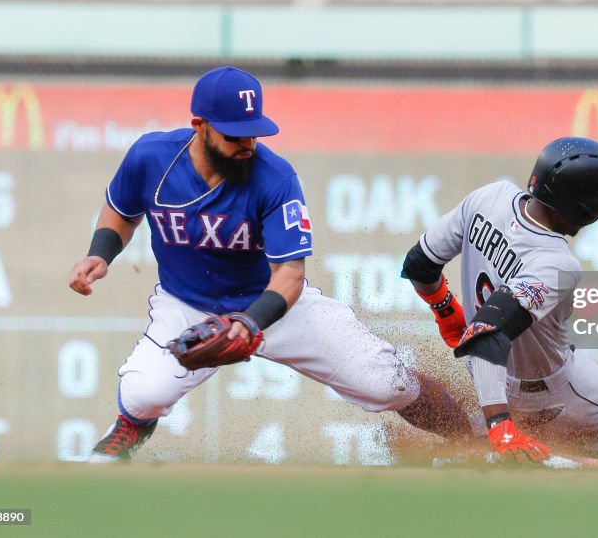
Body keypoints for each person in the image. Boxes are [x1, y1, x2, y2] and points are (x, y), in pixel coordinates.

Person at [69, 66, 471, 462]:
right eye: (234, 136)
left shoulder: (274, 177)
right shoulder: (150, 157)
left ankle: (469, 433)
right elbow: (121, 210)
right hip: (187, 305)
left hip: (274, 305)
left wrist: (249, 322)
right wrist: (99, 253)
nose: (247, 144)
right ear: (199, 125)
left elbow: (290, 274)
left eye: (253, 133)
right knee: (144, 395)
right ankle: (127, 429)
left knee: (387, 385)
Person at [402, 137, 598, 463]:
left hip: (484, 374)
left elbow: (419, 264)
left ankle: (488, 437)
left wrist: (446, 311)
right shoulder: (558, 263)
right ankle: (511, 448)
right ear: (582, 208)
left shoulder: (490, 195)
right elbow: (486, 335)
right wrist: (499, 423)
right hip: (541, 390)